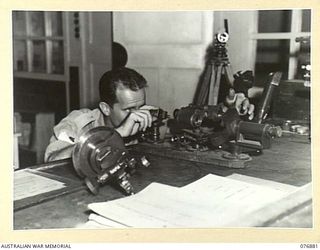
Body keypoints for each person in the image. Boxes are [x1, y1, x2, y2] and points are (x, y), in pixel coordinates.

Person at [44, 67, 254, 162]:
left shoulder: (149, 118)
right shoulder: (79, 123)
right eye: (128, 110)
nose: (139, 116)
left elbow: (202, 133)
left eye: (141, 106)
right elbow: (52, 159)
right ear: (106, 108)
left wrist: (228, 112)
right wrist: (116, 135)